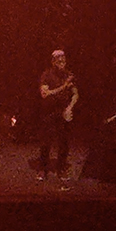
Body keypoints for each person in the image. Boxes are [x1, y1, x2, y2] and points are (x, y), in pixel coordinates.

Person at [36, 49, 78, 182]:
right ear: (53, 62)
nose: (62, 63)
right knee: (46, 141)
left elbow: (75, 94)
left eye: (63, 60)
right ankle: (42, 169)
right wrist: (64, 86)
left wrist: (70, 108)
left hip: (63, 111)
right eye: (59, 61)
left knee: (64, 142)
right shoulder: (47, 75)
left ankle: (61, 169)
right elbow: (45, 94)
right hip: (49, 111)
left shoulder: (69, 74)